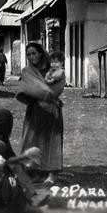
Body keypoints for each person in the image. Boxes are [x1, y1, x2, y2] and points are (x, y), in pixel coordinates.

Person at [16, 42, 64, 184]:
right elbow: (28, 90)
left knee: (52, 141)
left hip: (52, 111)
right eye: (29, 54)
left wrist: (45, 92)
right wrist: (45, 93)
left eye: (34, 53)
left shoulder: (54, 70)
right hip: (35, 110)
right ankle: (33, 172)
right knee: (32, 140)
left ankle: (51, 174)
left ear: (40, 53)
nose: (31, 57)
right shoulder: (27, 72)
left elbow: (57, 89)